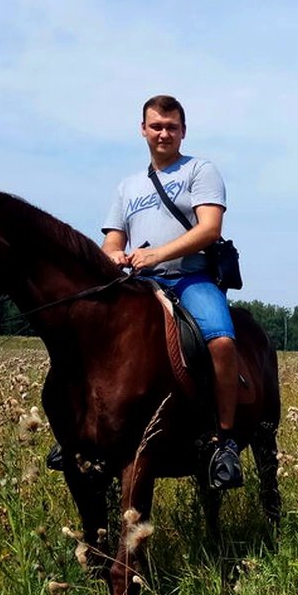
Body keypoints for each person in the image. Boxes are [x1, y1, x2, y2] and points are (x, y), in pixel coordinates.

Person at [101, 95, 244, 490]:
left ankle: (226, 440)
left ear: (183, 131)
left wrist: (157, 254)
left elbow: (209, 228)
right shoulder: (127, 187)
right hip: (139, 283)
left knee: (222, 342)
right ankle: (84, 432)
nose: (164, 133)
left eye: (172, 127)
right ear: (143, 130)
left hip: (189, 279)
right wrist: (114, 256)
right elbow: (112, 241)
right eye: (156, 126)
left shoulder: (200, 170)